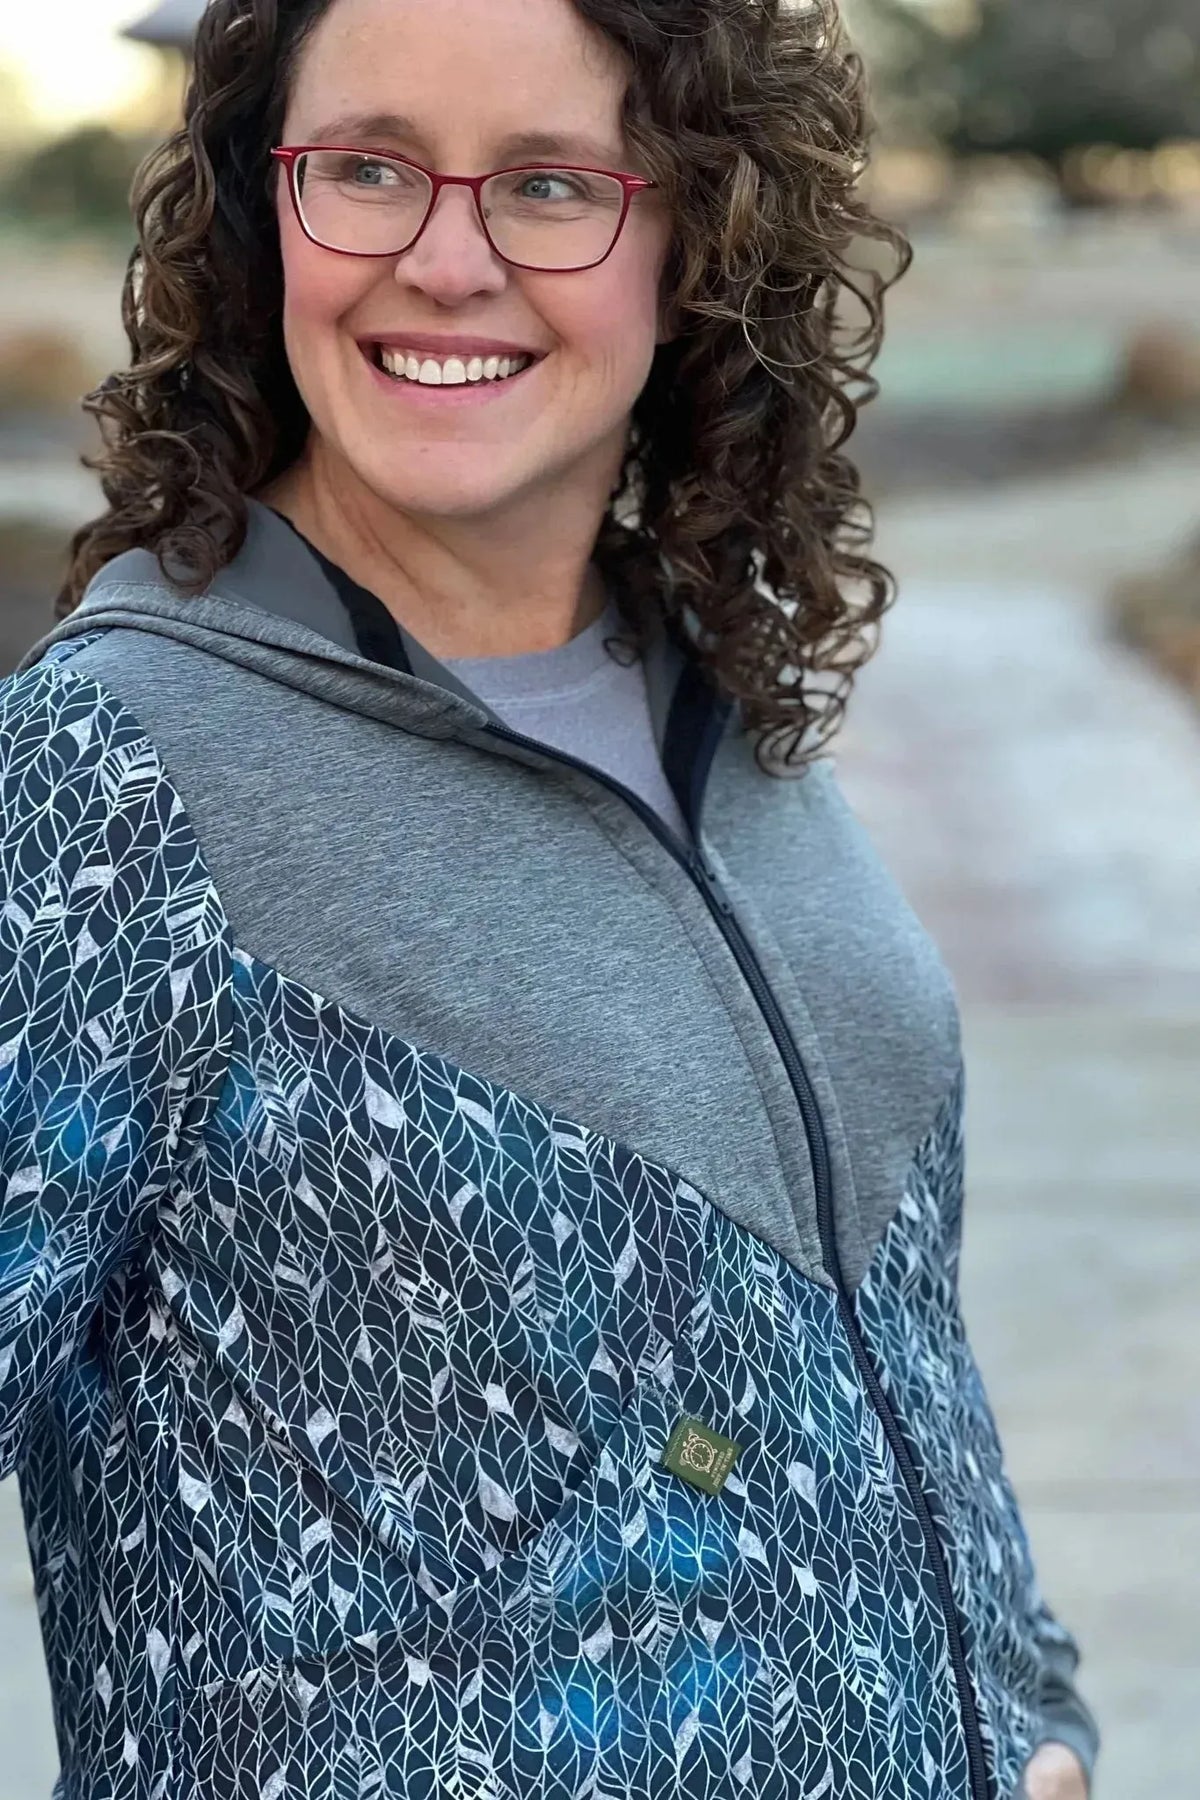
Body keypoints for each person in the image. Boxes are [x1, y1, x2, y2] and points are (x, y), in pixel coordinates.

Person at [0, 1, 1099, 1796]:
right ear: (258, 213)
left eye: (548, 184)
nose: (445, 262)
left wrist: (1027, 1709)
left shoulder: (715, 699)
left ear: (696, 246)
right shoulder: (111, 782)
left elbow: (877, 1329)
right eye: (365, 169)